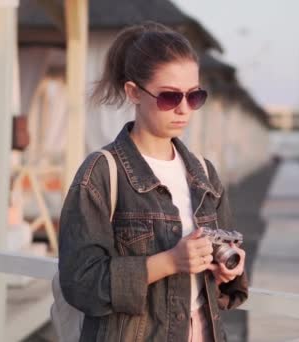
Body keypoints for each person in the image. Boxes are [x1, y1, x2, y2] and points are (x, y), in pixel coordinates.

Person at [58, 22, 248, 341]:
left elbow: (224, 287)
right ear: (133, 92)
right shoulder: (102, 172)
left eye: (194, 96)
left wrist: (228, 272)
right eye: (169, 97)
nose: (184, 109)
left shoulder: (204, 174)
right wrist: (170, 262)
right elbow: (81, 283)